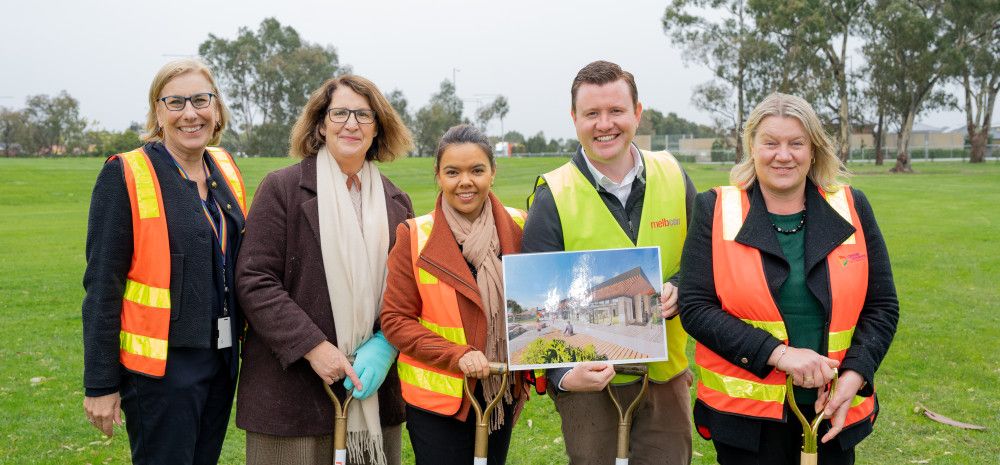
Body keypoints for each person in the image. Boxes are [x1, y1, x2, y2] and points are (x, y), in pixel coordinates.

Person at [678, 92, 899, 465]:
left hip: (833, 410)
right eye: (771, 143)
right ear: (752, 147)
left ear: (813, 150)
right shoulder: (714, 209)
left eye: (796, 143)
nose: (784, 155)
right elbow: (696, 307)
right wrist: (780, 356)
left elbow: (882, 306)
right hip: (746, 421)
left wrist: (855, 375)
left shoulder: (851, 205)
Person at [522, 60, 697, 465]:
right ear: (574, 118)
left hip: (665, 378)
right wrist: (563, 377)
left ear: (637, 112)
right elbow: (538, 305)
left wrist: (681, 287)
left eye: (616, 111)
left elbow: (701, 261)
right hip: (590, 386)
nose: (605, 124)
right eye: (592, 114)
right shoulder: (552, 196)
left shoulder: (673, 174)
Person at [234, 75, 414, 465]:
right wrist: (313, 348)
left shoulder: (397, 201)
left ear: (378, 127)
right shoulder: (281, 188)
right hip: (291, 395)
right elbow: (254, 280)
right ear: (320, 124)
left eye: (364, 115)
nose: (351, 124)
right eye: (340, 113)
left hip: (371, 391)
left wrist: (387, 342)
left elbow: (410, 290)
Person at [81, 58, 247, 465]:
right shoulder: (126, 173)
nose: (190, 113)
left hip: (221, 359)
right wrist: (100, 384)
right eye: (175, 102)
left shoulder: (223, 166)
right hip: (160, 370)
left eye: (201, 100)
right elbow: (103, 286)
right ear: (157, 112)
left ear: (217, 107)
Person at [381, 124, 530, 465]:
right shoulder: (414, 235)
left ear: (493, 173)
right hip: (438, 399)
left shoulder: (520, 225)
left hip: (500, 389)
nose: (465, 182)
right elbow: (395, 321)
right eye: (453, 172)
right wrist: (456, 354)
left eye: (477, 170)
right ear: (438, 176)